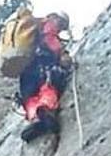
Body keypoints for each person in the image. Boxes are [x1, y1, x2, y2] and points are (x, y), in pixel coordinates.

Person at [19, 12, 73, 143]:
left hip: (27, 71)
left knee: (30, 96)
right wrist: (61, 54)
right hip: (42, 65)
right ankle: (46, 110)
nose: (59, 28)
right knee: (48, 87)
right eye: (61, 24)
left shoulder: (33, 29)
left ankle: (35, 118)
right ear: (55, 17)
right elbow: (49, 37)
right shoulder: (48, 24)